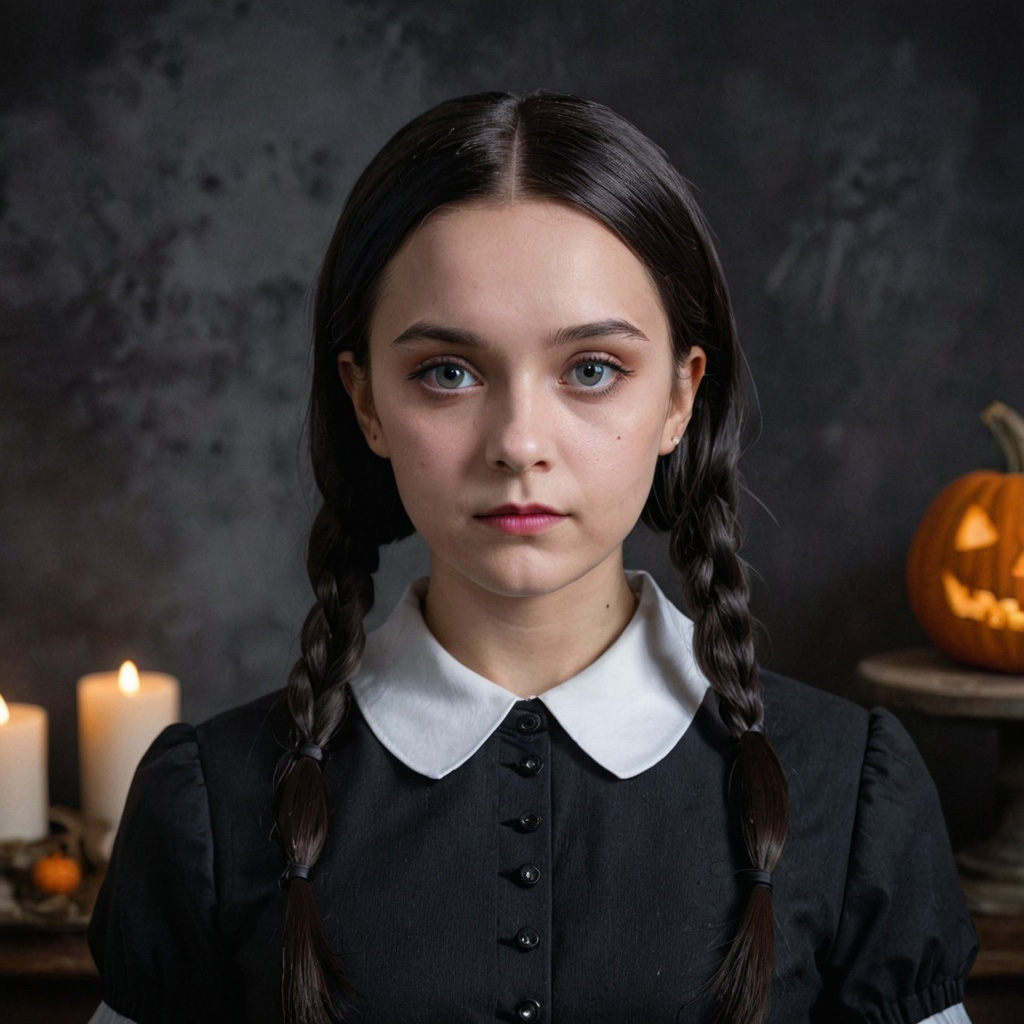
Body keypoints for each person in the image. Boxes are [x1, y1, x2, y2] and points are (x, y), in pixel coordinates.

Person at [87, 91, 977, 1024]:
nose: (518, 442)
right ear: (365, 402)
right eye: (448, 372)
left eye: (592, 369)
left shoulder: (853, 790)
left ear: (681, 395)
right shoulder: (208, 805)